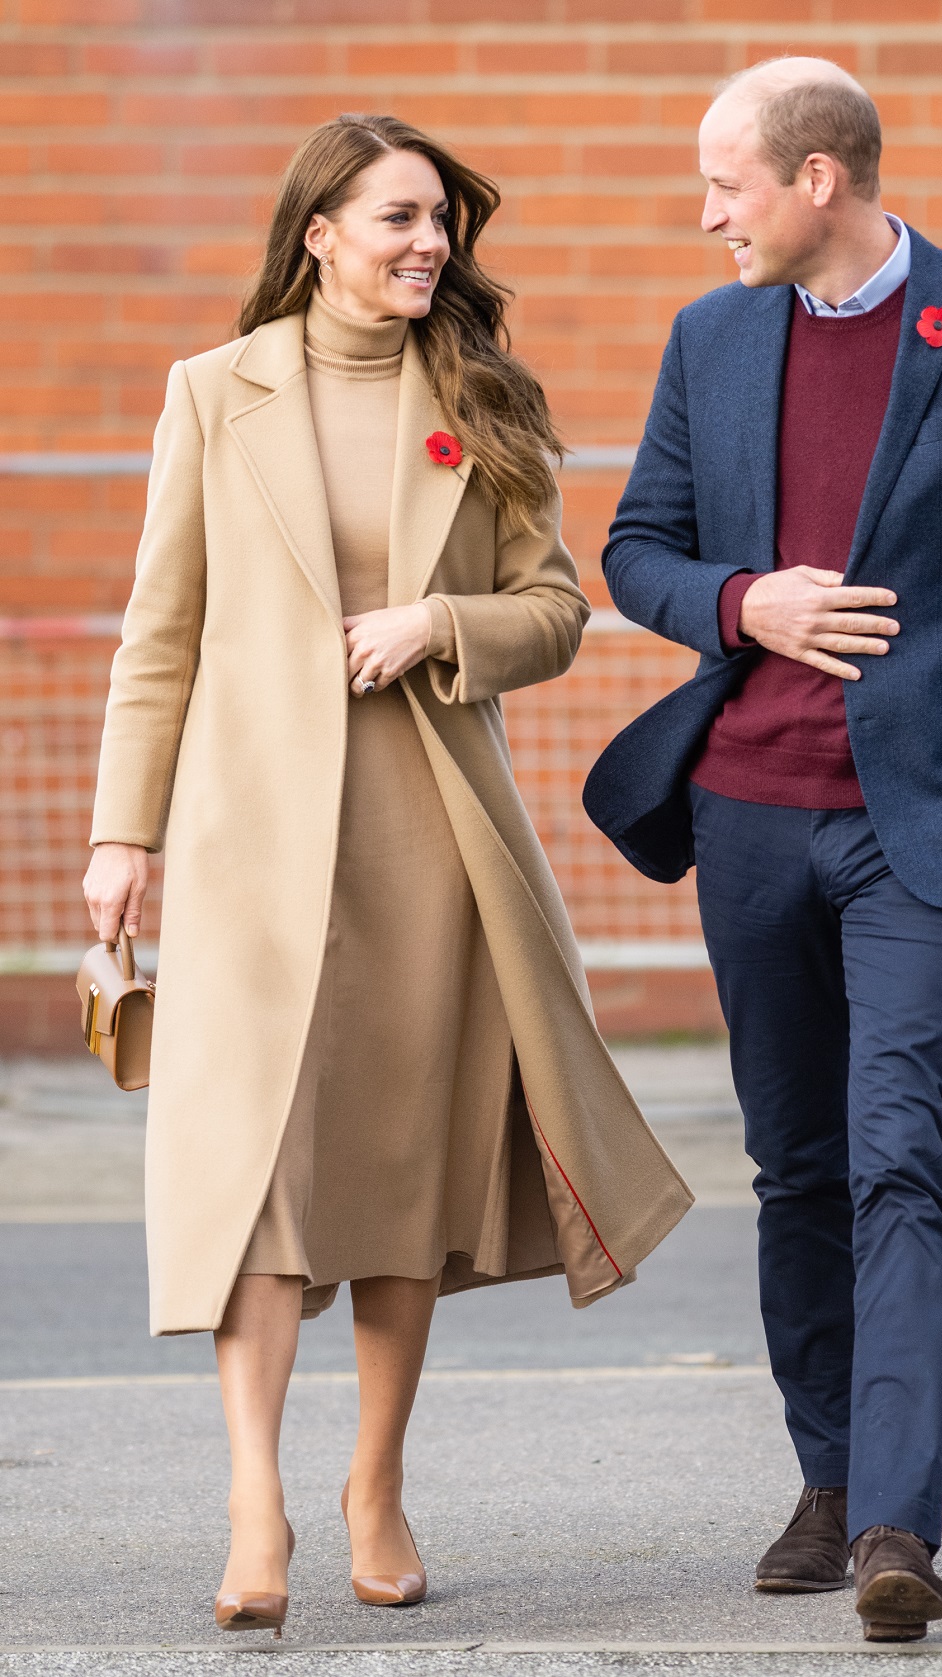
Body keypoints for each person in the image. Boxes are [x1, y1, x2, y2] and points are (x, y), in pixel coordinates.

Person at [83, 113, 691, 1637]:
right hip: (244, 845)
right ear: (320, 235)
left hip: (429, 836)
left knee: (398, 1175)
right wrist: (121, 833)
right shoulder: (213, 395)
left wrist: (445, 628)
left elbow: (555, 610)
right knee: (259, 1175)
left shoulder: (479, 398)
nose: (430, 243)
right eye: (401, 218)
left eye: (440, 221)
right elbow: (159, 632)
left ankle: (374, 1483)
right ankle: (251, 1501)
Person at [584, 59, 942, 1642]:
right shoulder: (710, 337)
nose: (707, 216)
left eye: (729, 186)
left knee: (906, 1153)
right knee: (801, 1167)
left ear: (818, 180)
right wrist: (740, 601)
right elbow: (636, 545)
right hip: (750, 814)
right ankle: (827, 1477)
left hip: (936, 818)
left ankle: (900, 1520)